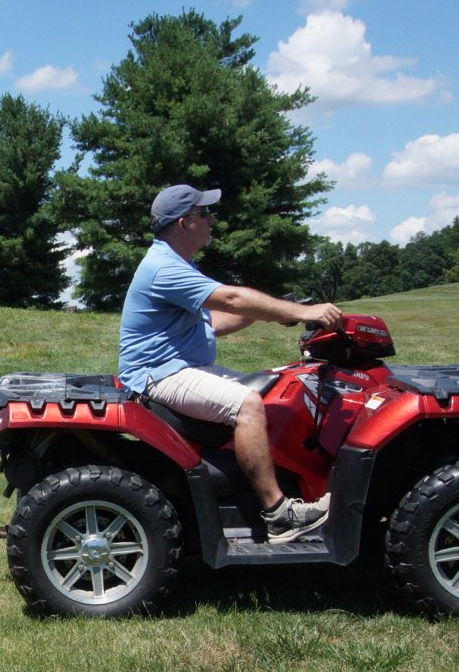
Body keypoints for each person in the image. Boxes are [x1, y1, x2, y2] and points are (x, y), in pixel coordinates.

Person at [119, 184, 344, 543]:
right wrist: (303, 311)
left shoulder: (173, 262)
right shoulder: (165, 268)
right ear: (184, 222)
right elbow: (233, 298)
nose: (211, 220)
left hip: (172, 367)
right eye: (204, 213)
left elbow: (216, 321)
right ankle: (279, 515)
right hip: (158, 374)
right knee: (248, 405)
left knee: (275, 388)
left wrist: (277, 313)